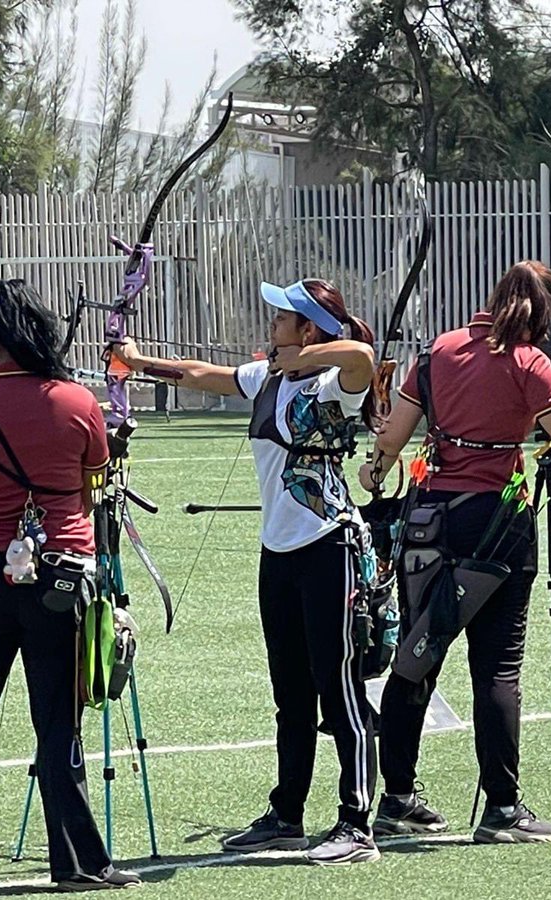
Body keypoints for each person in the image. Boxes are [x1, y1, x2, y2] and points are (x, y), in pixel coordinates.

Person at [112, 278, 382, 865]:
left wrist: (305, 357)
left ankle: (356, 822)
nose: (273, 326)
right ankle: (287, 814)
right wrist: (137, 362)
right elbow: (199, 373)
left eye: (285, 319)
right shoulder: (268, 378)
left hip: (326, 545)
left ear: (308, 330)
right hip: (278, 553)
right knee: (290, 693)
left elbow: (363, 354)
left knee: (336, 688)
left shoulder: (334, 384)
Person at [359, 259, 551, 844]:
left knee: (417, 655)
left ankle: (395, 799)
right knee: (497, 667)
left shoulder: (441, 350)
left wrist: (376, 471)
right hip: (497, 523)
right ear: (547, 314)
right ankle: (501, 808)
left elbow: (392, 436)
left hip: (430, 521)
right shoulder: (529, 362)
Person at [0, 279, 141, 890]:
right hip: (61, 576)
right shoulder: (77, 401)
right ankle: (78, 862)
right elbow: (95, 482)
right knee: (58, 724)